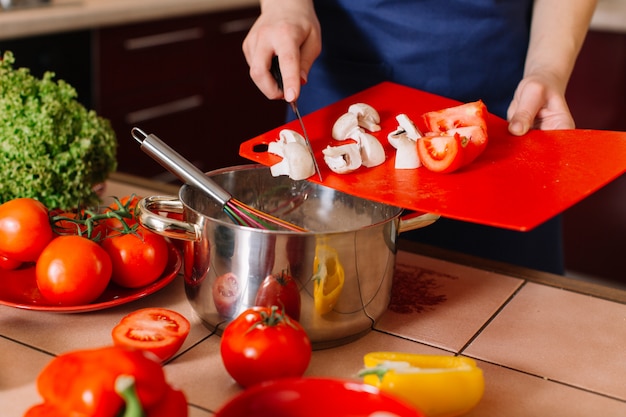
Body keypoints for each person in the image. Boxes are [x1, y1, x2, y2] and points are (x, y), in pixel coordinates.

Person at [242, 0, 598, 275]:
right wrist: (284, 7)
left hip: (506, 94)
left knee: (523, 317)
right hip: (347, 93)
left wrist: (548, 68)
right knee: (325, 290)